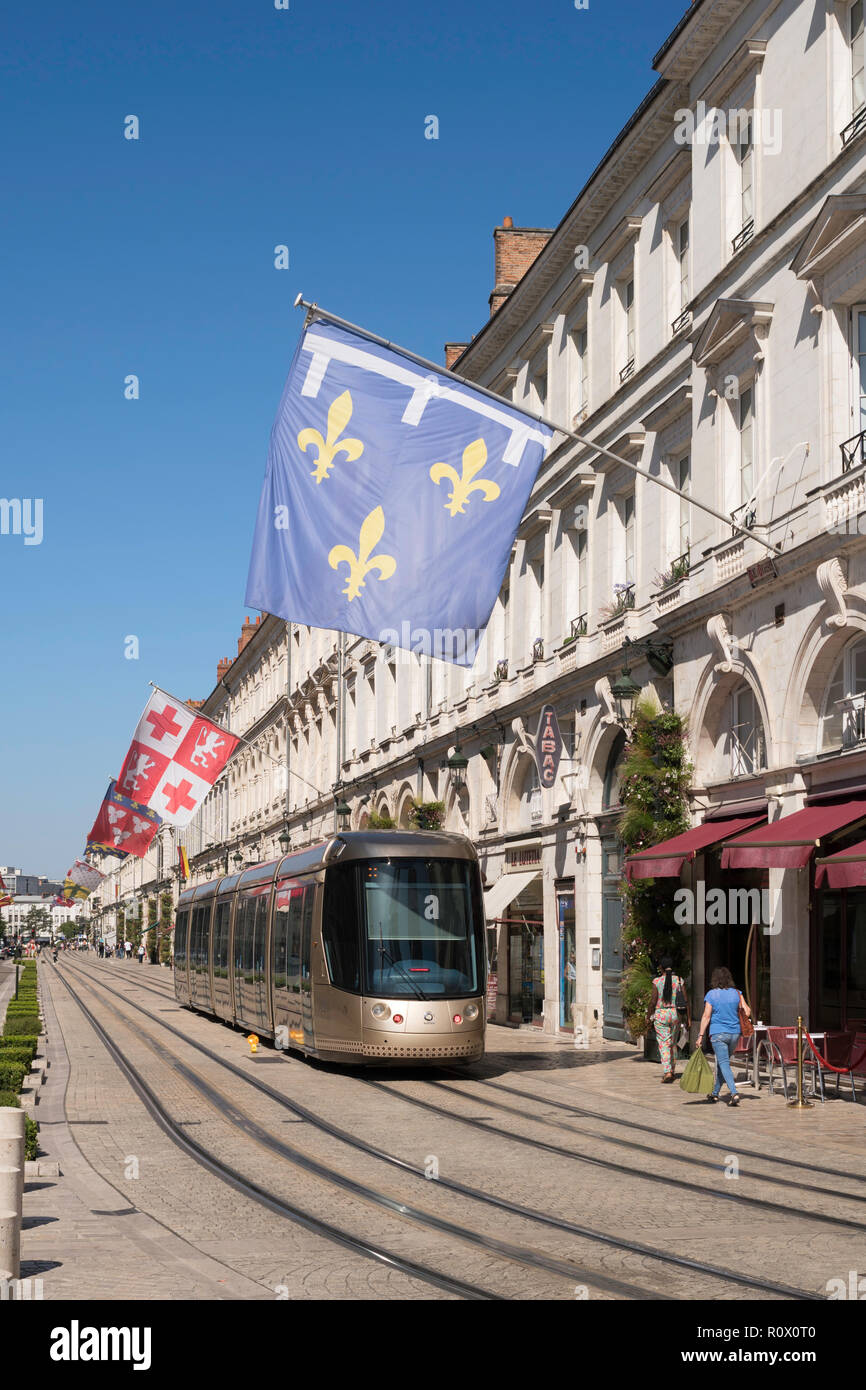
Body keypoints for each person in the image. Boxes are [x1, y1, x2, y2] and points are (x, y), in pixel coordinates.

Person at [696, 966, 752, 1106]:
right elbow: (747, 1012)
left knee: (724, 1063)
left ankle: (734, 1092)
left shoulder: (711, 995)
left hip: (718, 1034)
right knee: (723, 1063)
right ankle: (715, 1093)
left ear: (715, 979)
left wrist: (700, 1035)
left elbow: (706, 1016)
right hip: (734, 1034)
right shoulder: (737, 993)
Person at [647, 956, 690, 1083]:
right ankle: (673, 1069)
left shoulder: (657, 981)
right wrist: (688, 1019)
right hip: (676, 1014)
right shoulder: (679, 980)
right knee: (672, 1043)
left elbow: (653, 1001)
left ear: (661, 968)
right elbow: (686, 1001)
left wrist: (649, 1016)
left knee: (664, 1043)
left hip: (661, 1014)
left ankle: (667, 1071)